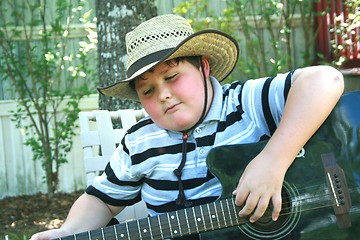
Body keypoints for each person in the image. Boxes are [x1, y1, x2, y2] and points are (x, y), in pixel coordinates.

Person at [31, 14, 344, 240]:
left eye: (171, 77)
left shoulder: (245, 103)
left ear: (204, 68)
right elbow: (101, 199)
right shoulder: (140, 142)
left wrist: (273, 161)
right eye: (148, 90)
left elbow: (324, 80)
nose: (163, 94)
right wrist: (69, 232)